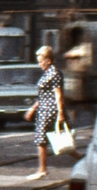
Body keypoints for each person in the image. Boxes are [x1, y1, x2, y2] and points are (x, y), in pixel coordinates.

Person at [23, 44, 78, 179]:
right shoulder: (48, 73)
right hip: (44, 110)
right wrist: (32, 109)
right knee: (59, 142)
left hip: (51, 111)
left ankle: (42, 169)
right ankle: (82, 159)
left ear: (48, 60)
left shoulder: (55, 73)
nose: (39, 64)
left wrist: (60, 113)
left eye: (41, 61)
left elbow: (58, 95)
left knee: (43, 140)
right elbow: (43, 96)